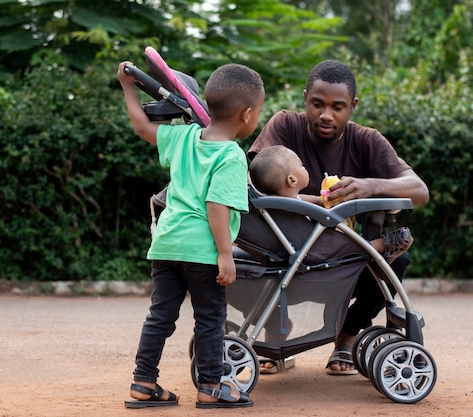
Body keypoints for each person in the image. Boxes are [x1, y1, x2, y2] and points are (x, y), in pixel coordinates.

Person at [247, 60, 429, 375]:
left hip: (346, 258)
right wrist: (308, 200)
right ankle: (273, 339)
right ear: (305, 99)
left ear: (353, 106)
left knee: (397, 262)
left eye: (338, 107)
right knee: (251, 259)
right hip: (284, 253)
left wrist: (369, 186)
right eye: (317, 104)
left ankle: (347, 337)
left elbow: (419, 190)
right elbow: (249, 183)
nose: (326, 115)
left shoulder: (366, 140)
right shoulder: (285, 126)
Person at [118, 61, 265, 408]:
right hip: (202, 252)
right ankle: (211, 387)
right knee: (210, 321)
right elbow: (217, 205)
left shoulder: (183, 138)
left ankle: (143, 382)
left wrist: (126, 86)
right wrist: (225, 254)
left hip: (167, 245)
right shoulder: (230, 154)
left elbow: (142, 127)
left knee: (160, 317)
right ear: (246, 115)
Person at [249, 145, 414, 263]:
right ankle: (377, 247)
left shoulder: (279, 205)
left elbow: (309, 201)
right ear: (292, 180)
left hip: (305, 250)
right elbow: (309, 209)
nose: (304, 167)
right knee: (337, 240)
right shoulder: (290, 208)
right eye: (301, 165)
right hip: (315, 252)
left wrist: (324, 201)